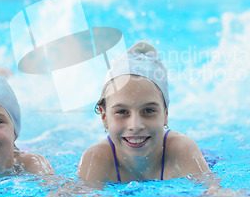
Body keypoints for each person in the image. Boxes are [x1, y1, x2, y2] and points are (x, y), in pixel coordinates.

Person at [77, 41, 211, 183]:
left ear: (166, 114)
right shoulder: (95, 159)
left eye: (148, 110)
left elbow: (213, 194)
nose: (135, 125)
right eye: (122, 111)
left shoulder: (182, 151)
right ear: (104, 117)